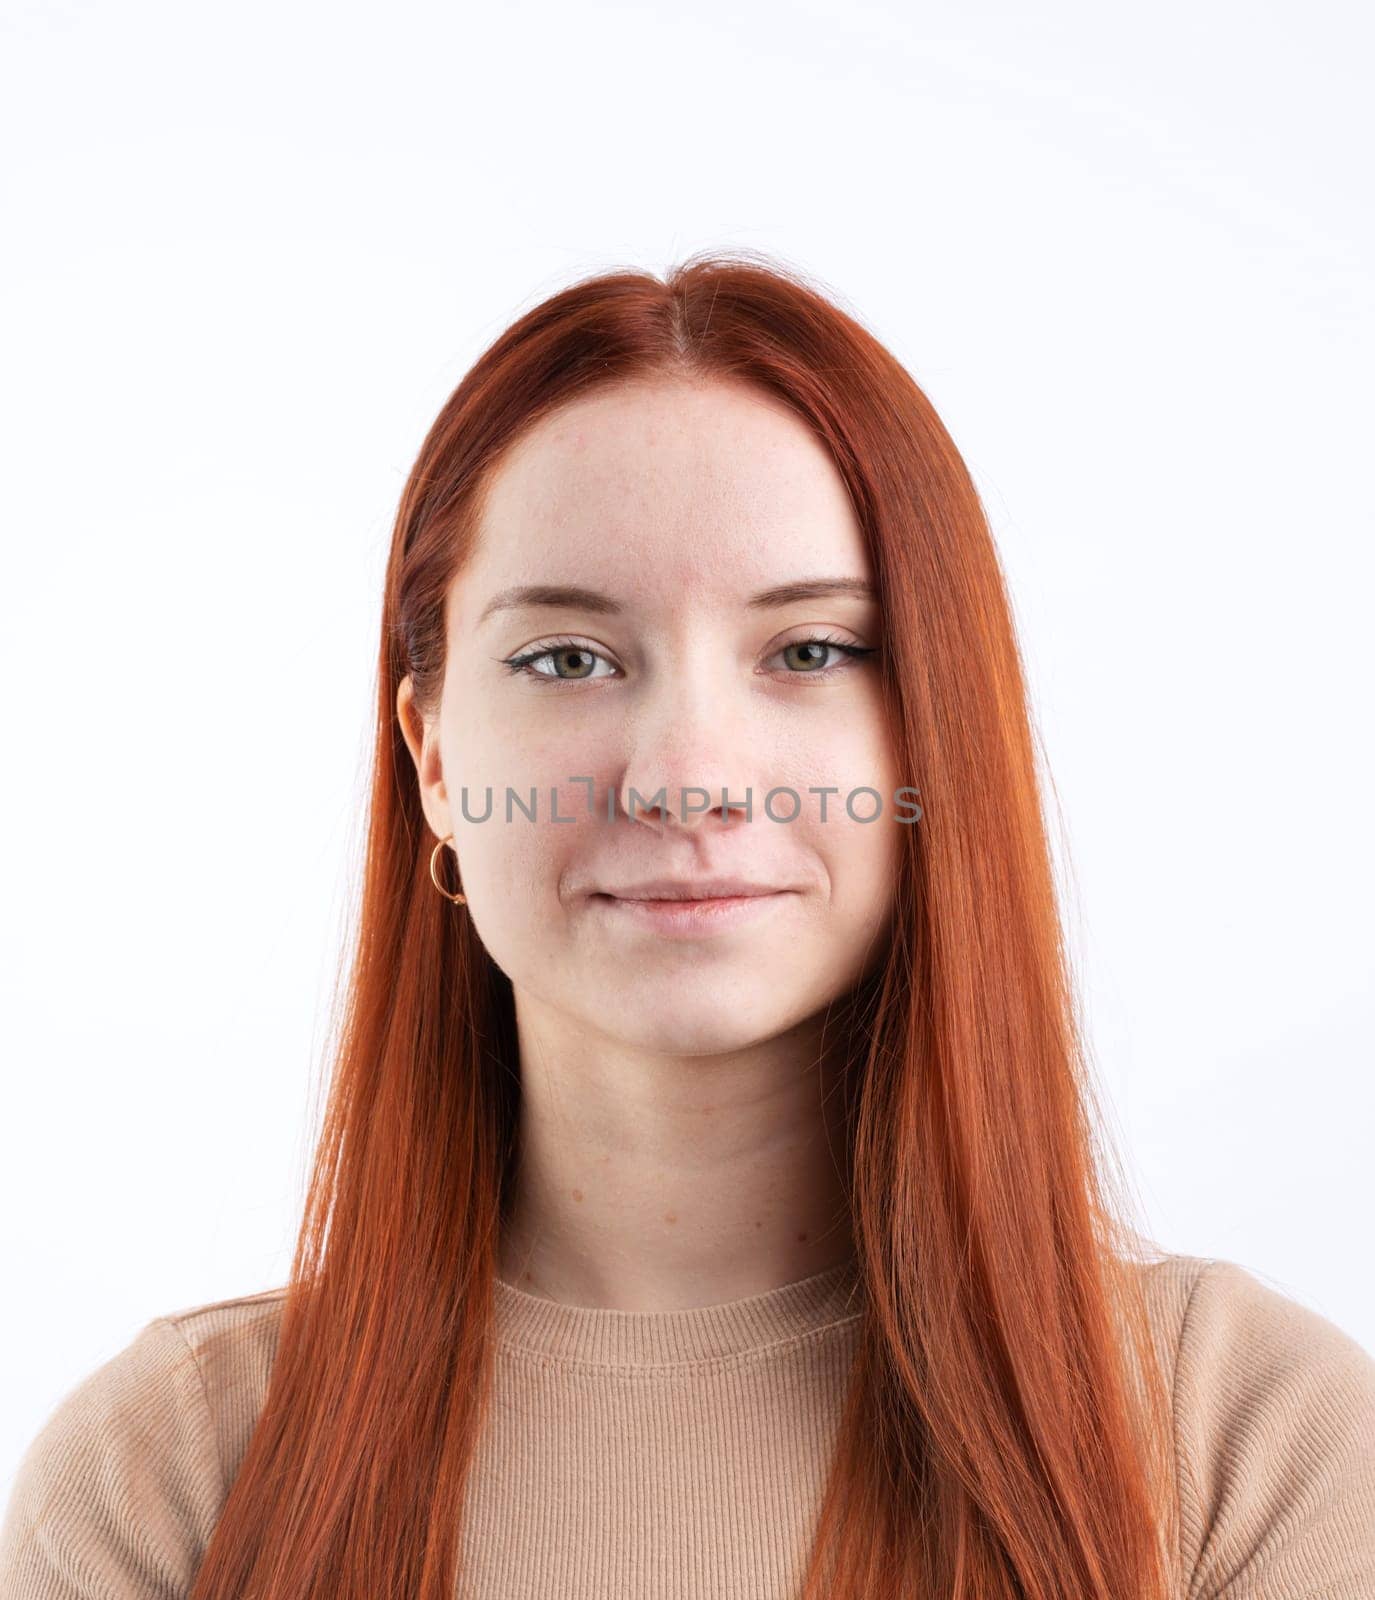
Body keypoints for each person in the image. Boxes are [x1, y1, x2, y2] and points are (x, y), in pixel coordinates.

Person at [2, 251, 1373, 1600]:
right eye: (567, 659)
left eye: (812, 650)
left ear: (939, 724)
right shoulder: (168, 1480)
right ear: (431, 760)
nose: (686, 777)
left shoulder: (1250, 1445)